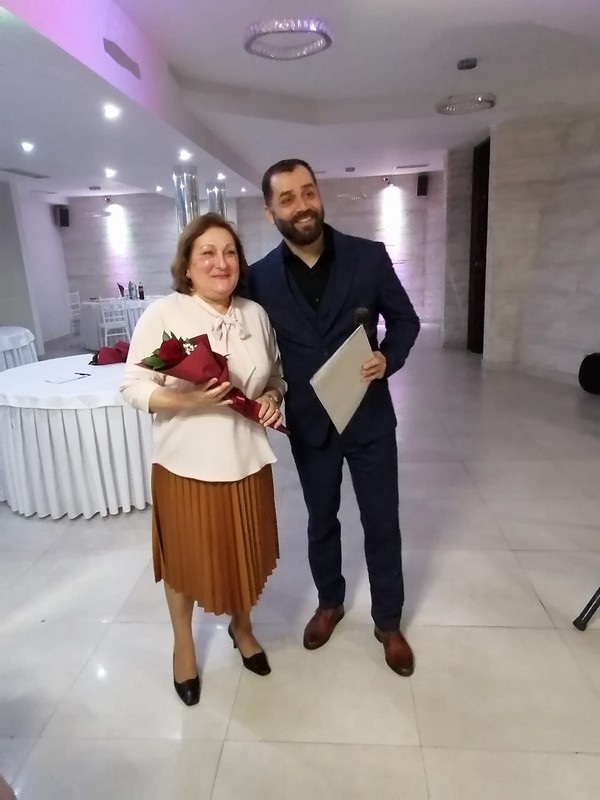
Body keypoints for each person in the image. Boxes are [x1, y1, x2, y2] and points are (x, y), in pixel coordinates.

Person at [248, 159, 420, 676]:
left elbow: (406, 321)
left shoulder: (369, 257)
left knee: (382, 521)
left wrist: (388, 357)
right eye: (287, 198)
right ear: (270, 212)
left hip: (369, 418)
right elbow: (256, 349)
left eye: (308, 192)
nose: (302, 205)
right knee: (321, 520)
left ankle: (388, 621)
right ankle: (330, 602)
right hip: (310, 424)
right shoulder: (259, 278)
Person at [121, 213, 286, 706]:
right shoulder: (164, 314)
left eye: (230, 252)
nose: (221, 262)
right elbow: (132, 386)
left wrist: (273, 396)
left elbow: (275, 376)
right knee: (185, 560)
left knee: (243, 553)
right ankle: (184, 646)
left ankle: (242, 627)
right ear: (188, 266)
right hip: (185, 465)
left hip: (247, 461)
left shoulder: (255, 315)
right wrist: (188, 400)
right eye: (207, 253)